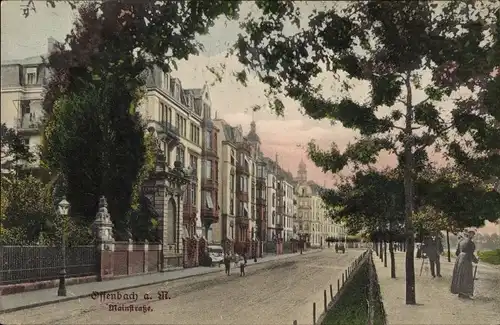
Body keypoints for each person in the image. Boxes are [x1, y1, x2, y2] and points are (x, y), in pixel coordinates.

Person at [451, 229, 478, 299]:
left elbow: (457, 253)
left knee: (460, 275)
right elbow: (471, 254)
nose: (473, 235)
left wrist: (461, 257)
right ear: (468, 234)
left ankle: (460, 292)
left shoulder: (461, 241)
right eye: (472, 234)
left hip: (459, 259)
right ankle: (465, 294)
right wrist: (476, 260)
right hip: (466, 260)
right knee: (467, 276)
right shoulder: (471, 243)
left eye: (473, 234)